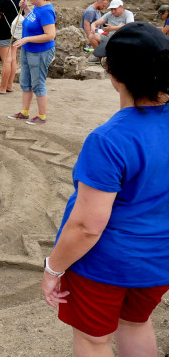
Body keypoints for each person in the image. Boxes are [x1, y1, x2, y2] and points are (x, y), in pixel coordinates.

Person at [41, 22, 169, 357]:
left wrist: (53, 268)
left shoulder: (110, 139)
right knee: (136, 323)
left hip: (105, 265)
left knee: (93, 340)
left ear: (115, 76)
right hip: (159, 260)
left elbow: (87, 226)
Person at [8, 0, 57, 125]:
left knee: (38, 84)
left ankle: (41, 116)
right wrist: (25, 8)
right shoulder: (36, 7)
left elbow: (50, 35)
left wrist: (26, 39)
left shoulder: (47, 11)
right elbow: (33, 19)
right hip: (28, 50)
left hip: (40, 52)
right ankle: (24, 112)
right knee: (25, 82)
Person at [0, 0, 26, 94]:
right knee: (13, 60)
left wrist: (0, 16)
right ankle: (9, 85)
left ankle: (2, 87)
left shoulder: (6, 1)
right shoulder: (23, 1)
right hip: (16, 33)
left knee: (6, 61)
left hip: (4, 33)